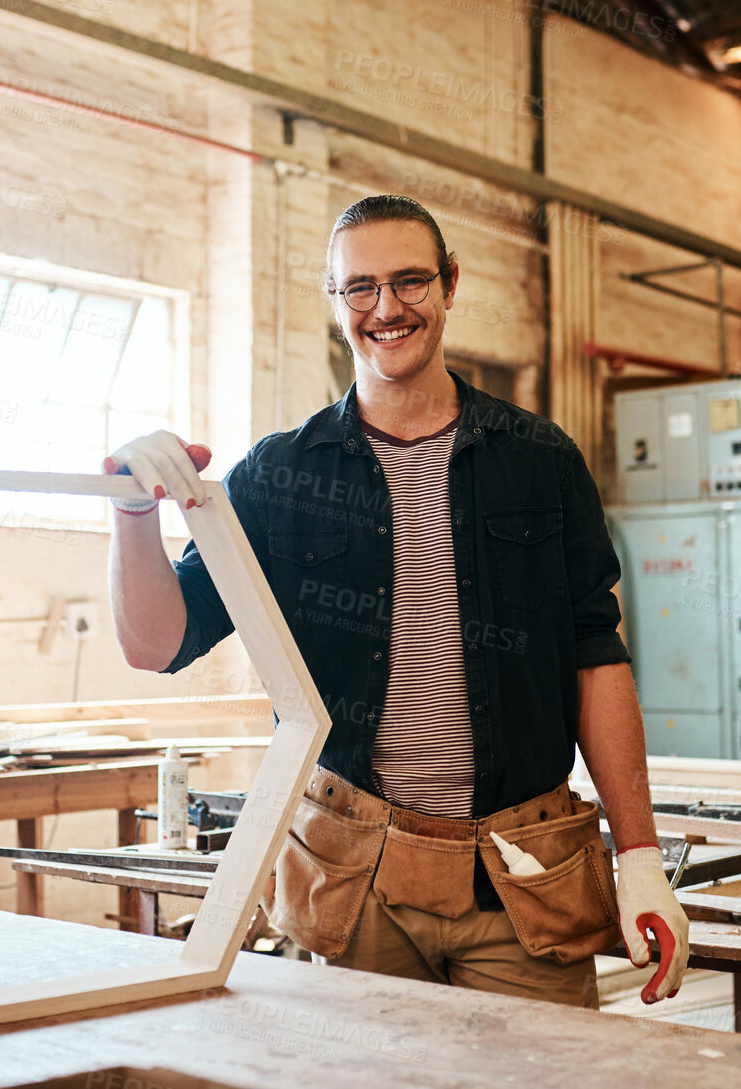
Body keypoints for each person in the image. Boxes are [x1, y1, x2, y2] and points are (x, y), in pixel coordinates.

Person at [104, 194, 687, 1007]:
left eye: (411, 281)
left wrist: (641, 858)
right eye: (361, 287)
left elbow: (596, 655)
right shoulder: (280, 476)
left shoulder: (540, 461)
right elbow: (159, 641)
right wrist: (134, 511)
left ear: (450, 285)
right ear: (335, 299)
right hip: (356, 879)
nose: (387, 308)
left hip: (521, 879)